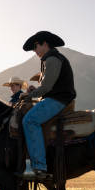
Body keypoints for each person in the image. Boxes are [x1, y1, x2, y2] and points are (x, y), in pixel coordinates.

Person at [19, 31, 76, 178]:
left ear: (45, 43)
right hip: (57, 98)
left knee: (29, 120)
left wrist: (28, 95)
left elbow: (47, 87)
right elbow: (48, 86)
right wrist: (34, 90)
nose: (34, 51)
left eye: (35, 46)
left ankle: (39, 166)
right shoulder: (50, 59)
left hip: (58, 100)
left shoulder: (52, 59)